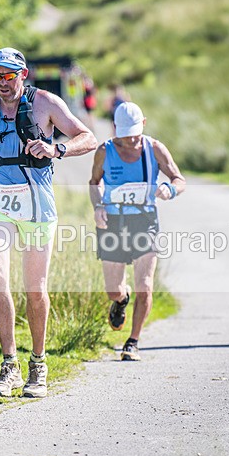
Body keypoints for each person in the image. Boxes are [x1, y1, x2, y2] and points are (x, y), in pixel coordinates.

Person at [0, 47, 97, 397]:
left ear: (23, 74)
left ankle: (38, 365)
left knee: (35, 289)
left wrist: (56, 150)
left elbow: (88, 137)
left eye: (9, 75)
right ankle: (9, 367)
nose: (2, 82)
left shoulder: (45, 103)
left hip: (36, 203)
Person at [89, 102, 186, 361]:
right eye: (124, 134)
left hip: (144, 221)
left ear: (143, 124)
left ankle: (133, 342)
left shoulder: (154, 149)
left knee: (145, 285)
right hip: (113, 222)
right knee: (112, 289)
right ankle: (121, 299)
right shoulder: (104, 151)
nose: (130, 140)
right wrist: (98, 206)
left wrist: (170, 190)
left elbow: (179, 179)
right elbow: (94, 183)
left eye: (134, 133)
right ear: (114, 129)